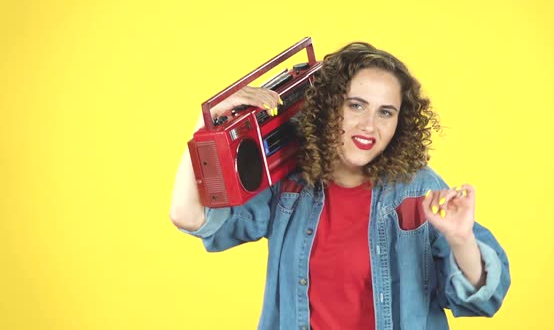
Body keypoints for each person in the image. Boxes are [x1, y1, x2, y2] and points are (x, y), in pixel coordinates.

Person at [170, 42, 511, 330]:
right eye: (356, 105)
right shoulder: (289, 186)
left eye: (386, 112)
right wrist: (203, 128)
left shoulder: (417, 188)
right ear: (328, 107)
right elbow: (189, 217)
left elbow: (483, 297)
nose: (369, 126)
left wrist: (460, 240)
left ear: (400, 124)